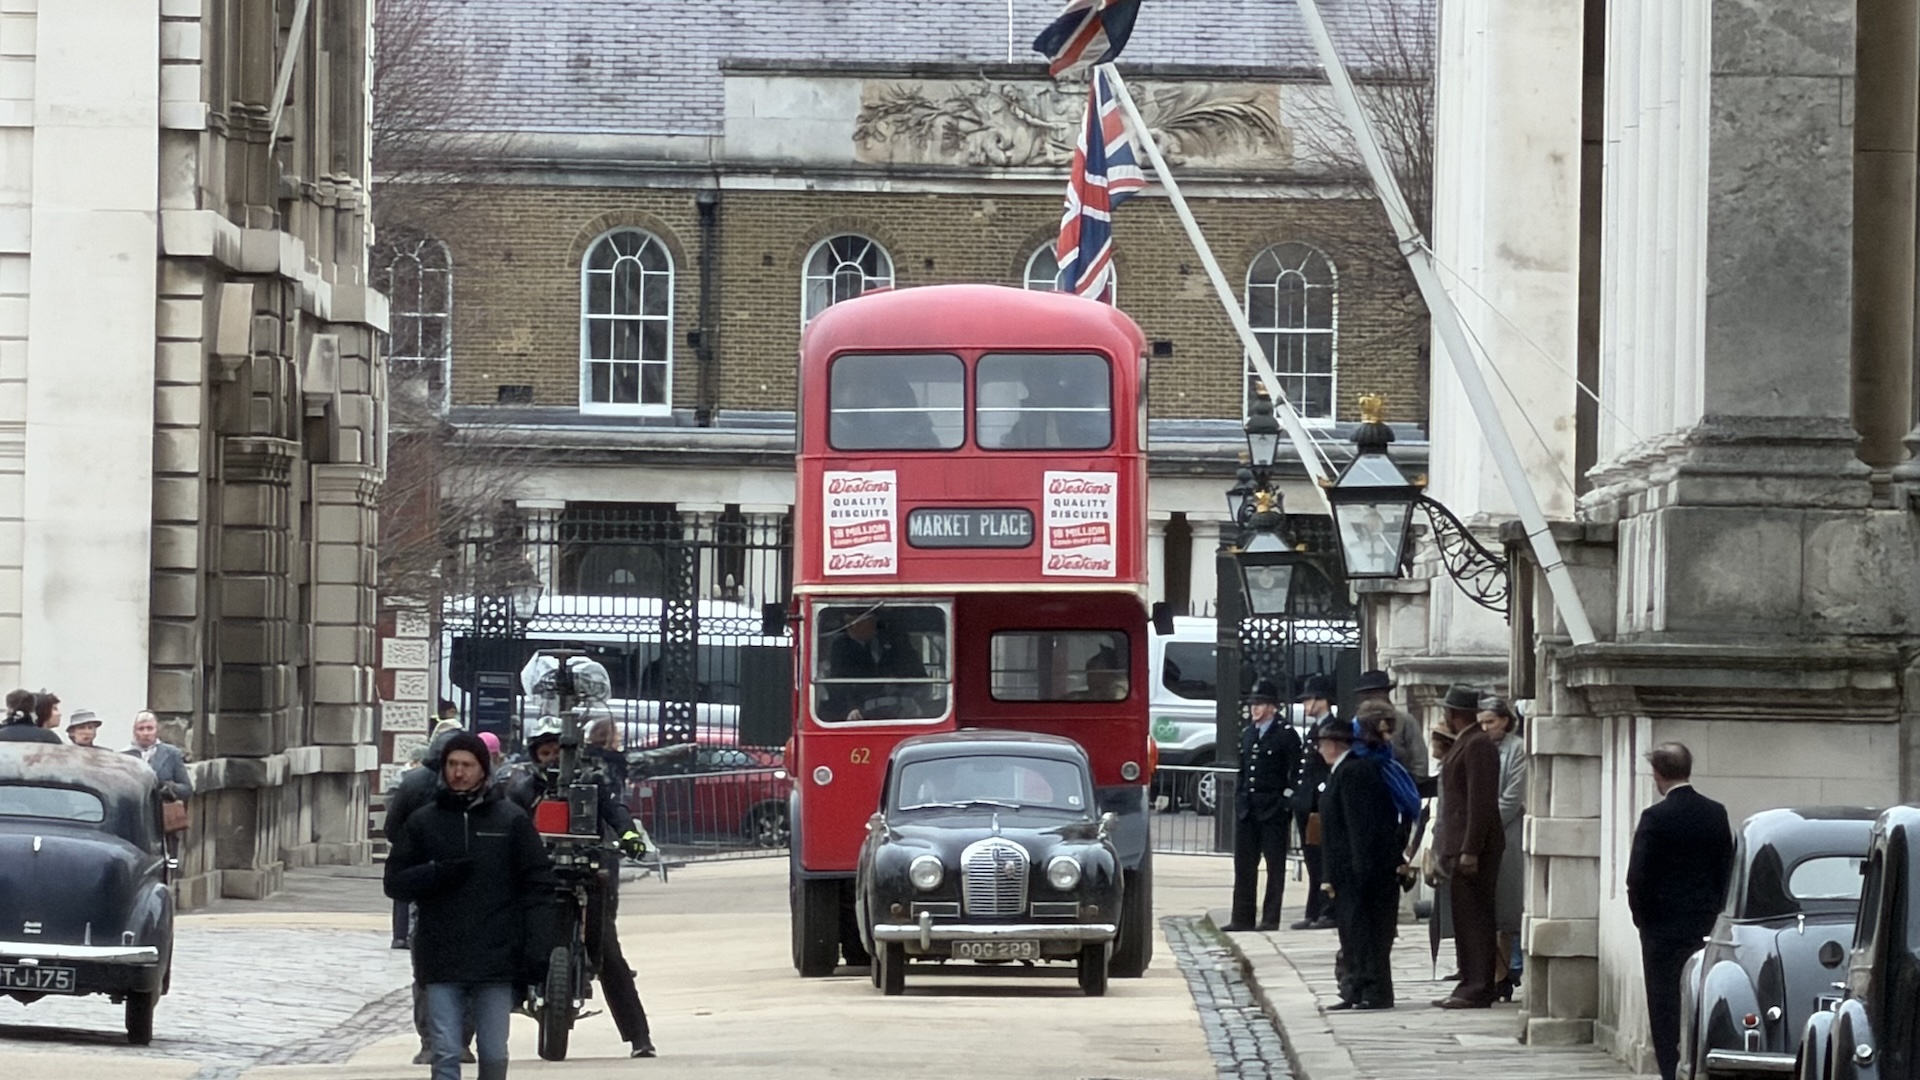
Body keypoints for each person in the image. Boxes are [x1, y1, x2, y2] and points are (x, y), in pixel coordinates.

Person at [386, 731, 555, 1080]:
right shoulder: (425, 821)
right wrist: (435, 873)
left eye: (467, 765)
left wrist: (537, 950)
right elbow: (395, 882)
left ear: (483, 770)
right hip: (441, 954)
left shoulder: (510, 820)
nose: (458, 773)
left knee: (494, 1053)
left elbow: (538, 886)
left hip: (496, 955)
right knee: (445, 1052)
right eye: (452, 764)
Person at [506, 718, 656, 1058]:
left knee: (609, 955)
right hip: (539, 877)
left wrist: (628, 835)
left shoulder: (592, 779)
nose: (552, 758)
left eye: (558, 750)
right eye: (544, 752)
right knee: (508, 942)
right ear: (535, 756)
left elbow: (614, 810)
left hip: (588, 872)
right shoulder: (523, 787)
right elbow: (507, 821)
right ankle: (474, 1033)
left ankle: (640, 1038)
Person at [1627, 742, 1734, 1080]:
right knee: (1701, 1000)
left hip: (1662, 928)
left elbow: (1638, 877)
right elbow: (1727, 870)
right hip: (1705, 925)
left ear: (1657, 774)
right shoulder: (1715, 812)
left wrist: (1642, 919)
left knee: (1665, 1007)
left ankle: (1671, 1072)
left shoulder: (1655, 817)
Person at [385, 720, 473, 1063]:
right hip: (468, 889)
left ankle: (430, 1042)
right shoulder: (481, 788)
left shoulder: (413, 783)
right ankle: (461, 1041)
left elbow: (393, 829)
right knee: (469, 968)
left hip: (427, 887)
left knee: (425, 969)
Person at [1318, 716, 1402, 1010]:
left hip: (1360, 871)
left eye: (1322, 744)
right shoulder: (1342, 772)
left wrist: (1361, 869)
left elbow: (1358, 827)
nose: (1319, 750)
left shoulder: (1354, 773)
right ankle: (1354, 988)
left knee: (1367, 932)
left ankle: (1374, 990)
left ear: (1334, 745)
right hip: (1346, 870)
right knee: (1352, 933)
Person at [1430, 683, 1503, 1009]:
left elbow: (1481, 802)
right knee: (1464, 916)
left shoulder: (1478, 745)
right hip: (1458, 844)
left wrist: (1471, 849)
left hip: (1473, 847)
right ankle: (1468, 978)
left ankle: (1478, 985)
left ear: (1455, 713)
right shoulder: (1466, 742)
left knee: (1475, 917)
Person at [1223, 679, 1301, 932]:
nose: (1255, 709)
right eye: (1253, 704)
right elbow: (1244, 771)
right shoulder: (1248, 734)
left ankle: (1270, 918)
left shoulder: (1286, 734)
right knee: (1244, 865)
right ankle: (1242, 917)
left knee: (1274, 866)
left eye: (1260, 704)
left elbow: (1295, 772)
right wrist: (1240, 797)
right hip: (1249, 808)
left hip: (1273, 808)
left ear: (1272, 707)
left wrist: (1285, 801)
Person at [1480, 696, 1527, 997]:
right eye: (1481, 723)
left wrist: (1484, 819)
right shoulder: (1479, 748)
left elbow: (1513, 795)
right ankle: (1494, 972)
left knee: (1508, 908)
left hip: (1508, 833)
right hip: (1482, 833)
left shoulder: (1518, 749)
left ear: (1506, 721)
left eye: (1491, 722)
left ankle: (1507, 971)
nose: (1485, 728)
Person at [1289, 675, 1338, 931]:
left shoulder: (1330, 727)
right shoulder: (1315, 728)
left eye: (1309, 700)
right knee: (1312, 859)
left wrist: (1320, 794)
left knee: (1322, 858)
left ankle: (1326, 911)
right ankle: (1313, 909)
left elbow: (1327, 770)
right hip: (1307, 802)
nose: (1306, 705)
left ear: (1322, 700)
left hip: (1319, 803)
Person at [824, 608, 927, 720]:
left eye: (858, 621)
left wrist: (911, 698)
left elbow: (917, 674)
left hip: (900, 709)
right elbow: (837, 681)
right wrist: (851, 708)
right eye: (848, 622)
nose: (852, 627)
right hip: (861, 710)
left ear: (874, 620)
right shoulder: (841, 646)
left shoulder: (895, 640)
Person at [1355, 669, 1427, 781]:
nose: (1370, 698)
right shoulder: (1357, 724)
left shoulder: (1405, 721)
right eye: (1366, 695)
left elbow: (1419, 762)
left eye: (1374, 693)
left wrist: (1411, 786)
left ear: (1385, 693)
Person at [125, 710, 193, 803]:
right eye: (141, 729)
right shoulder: (124, 756)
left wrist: (171, 788)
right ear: (134, 732)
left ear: (157, 730)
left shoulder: (172, 753)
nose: (145, 733)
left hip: (162, 811)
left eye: (150, 728)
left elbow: (187, 790)